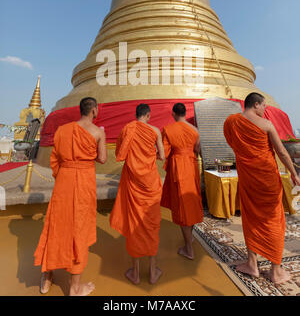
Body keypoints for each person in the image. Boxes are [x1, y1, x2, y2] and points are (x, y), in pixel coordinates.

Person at [223, 92, 300, 284]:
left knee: (251, 218)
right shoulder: (266, 125)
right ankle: (276, 270)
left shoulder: (231, 122)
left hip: (248, 178)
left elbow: (232, 142)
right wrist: (293, 172)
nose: (265, 110)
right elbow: (281, 152)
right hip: (267, 180)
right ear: (256, 104)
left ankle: (252, 264)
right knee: (274, 219)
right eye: (264, 106)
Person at [34, 97, 107, 296]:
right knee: (79, 229)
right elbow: (102, 159)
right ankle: (75, 287)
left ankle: (46, 278)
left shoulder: (62, 131)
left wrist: (65, 172)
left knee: (56, 225)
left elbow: (55, 159)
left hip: (64, 182)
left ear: (80, 110)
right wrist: (102, 137)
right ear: (94, 111)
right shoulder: (98, 132)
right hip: (84, 182)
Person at [109, 103, 165, 285]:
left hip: (133, 182)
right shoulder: (155, 131)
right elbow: (162, 156)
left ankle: (135, 272)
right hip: (150, 183)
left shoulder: (128, 128)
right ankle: (153, 271)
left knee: (134, 224)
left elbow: (120, 153)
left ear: (137, 115)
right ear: (148, 115)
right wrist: (150, 155)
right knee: (151, 225)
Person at [161, 103, 203, 260]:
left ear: (173, 114)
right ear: (185, 113)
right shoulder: (195, 130)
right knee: (191, 202)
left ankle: (188, 249)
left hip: (178, 168)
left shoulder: (168, 129)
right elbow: (198, 150)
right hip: (191, 167)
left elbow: (164, 153)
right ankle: (189, 238)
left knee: (182, 208)